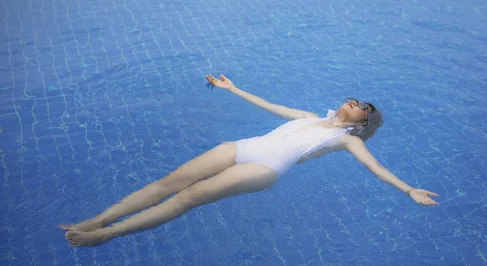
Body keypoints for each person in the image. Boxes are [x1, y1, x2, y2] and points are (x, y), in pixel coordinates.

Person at [61, 74, 440, 247]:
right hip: (242, 146)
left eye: (364, 108)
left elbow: (375, 167)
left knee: (185, 198)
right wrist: (233, 88)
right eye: (356, 99)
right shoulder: (310, 116)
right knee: (168, 183)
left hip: (264, 169)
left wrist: (408, 189)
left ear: (364, 123)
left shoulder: (346, 141)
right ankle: (97, 220)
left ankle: (106, 236)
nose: (356, 103)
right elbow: (270, 106)